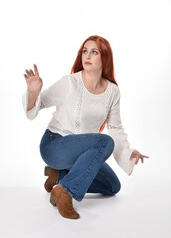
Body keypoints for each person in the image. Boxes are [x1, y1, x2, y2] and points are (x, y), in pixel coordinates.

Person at [22, 35, 149, 220]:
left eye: (94, 52)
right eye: (85, 51)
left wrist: (128, 153)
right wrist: (34, 93)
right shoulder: (70, 82)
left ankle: (59, 177)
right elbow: (37, 107)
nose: (87, 55)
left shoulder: (113, 91)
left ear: (104, 58)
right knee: (105, 142)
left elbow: (116, 129)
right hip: (55, 145)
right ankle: (65, 193)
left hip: (81, 154)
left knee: (112, 186)